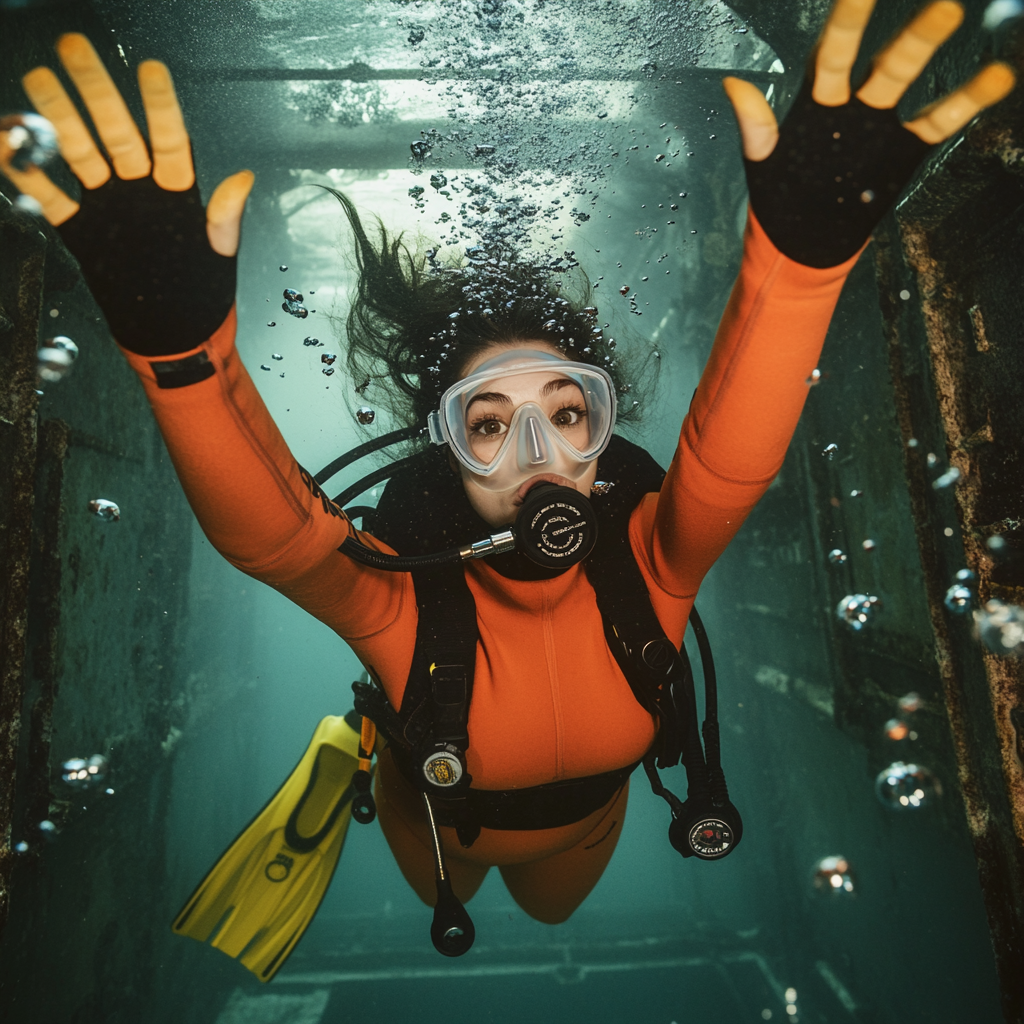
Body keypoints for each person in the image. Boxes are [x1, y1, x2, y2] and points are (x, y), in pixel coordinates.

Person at [2, 0, 1014, 957]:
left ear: (600, 437)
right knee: (465, 886)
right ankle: (360, 746)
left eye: (567, 413)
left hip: (582, 839)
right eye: (488, 424)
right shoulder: (405, 601)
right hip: (436, 835)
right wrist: (183, 360)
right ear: (447, 454)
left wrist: (797, 268)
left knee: (553, 907)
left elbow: (722, 468)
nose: (537, 451)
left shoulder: (648, 572)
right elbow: (274, 539)